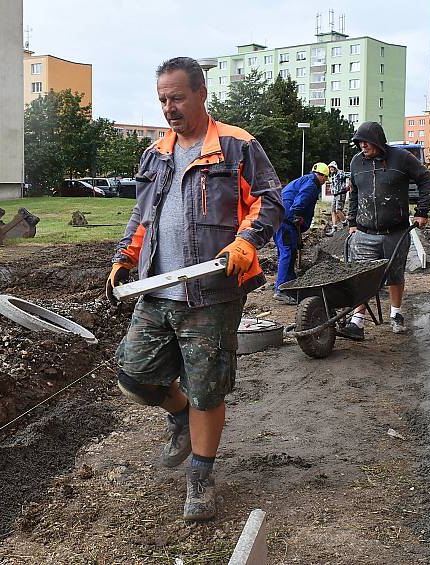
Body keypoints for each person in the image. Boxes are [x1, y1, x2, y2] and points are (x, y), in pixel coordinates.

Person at [105, 57, 283, 522]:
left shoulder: (236, 146)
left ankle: (201, 480)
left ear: (202, 93)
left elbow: (269, 200)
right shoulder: (156, 153)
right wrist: (126, 256)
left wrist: (246, 243)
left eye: (177, 97)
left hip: (212, 291)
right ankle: (179, 415)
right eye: (163, 99)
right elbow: (142, 216)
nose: (169, 107)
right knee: (133, 377)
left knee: (207, 389)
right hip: (157, 288)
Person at [337, 121, 430, 339]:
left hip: (395, 231)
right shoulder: (356, 162)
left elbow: (425, 179)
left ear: (378, 141)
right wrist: (352, 222)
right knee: (360, 275)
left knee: (394, 273)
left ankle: (396, 314)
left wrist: (422, 212)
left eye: (366, 141)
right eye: (359, 142)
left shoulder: (401, 158)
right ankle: (357, 321)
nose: (362, 145)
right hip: (364, 231)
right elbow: (354, 194)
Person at [272, 163, 328, 305]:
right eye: (325, 178)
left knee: (287, 252)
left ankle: (289, 283)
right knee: (287, 252)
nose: (325, 181)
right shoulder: (312, 184)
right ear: (322, 176)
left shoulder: (304, 179)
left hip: (280, 217)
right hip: (287, 221)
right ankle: (281, 289)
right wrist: (297, 217)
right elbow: (300, 203)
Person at [327, 161, 349, 234]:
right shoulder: (332, 175)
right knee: (333, 211)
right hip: (335, 194)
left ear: (335, 167)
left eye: (332, 167)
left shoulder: (340, 173)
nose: (331, 169)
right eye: (330, 167)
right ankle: (334, 227)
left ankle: (345, 223)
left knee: (338, 210)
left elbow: (351, 175)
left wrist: (349, 185)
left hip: (341, 193)